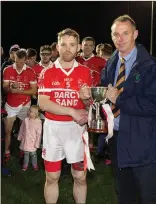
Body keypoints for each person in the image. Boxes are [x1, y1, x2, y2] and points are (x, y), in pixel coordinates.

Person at [101, 15, 156, 204]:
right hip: (118, 138)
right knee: (125, 195)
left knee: (148, 197)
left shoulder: (151, 66)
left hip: (143, 142)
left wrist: (119, 99)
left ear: (135, 34)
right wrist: (92, 95)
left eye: (125, 33)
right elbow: (105, 90)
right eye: (116, 34)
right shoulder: (112, 61)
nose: (120, 39)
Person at [38, 28, 94, 204]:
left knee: (80, 176)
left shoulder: (86, 72)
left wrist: (86, 100)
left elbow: (89, 105)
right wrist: (71, 111)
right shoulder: (47, 72)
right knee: (52, 177)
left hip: (76, 130)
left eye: (72, 45)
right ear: (58, 47)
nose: (68, 48)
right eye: (63, 44)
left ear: (78, 47)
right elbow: (43, 103)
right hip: (53, 129)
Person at [3, 49, 37, 163]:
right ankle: (6, 152)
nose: (19, 65)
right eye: (17, 62)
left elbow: (33, 91)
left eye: (21, 62)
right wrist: (11, 89)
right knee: (8, 131)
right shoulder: (7, 70)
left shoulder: (30, 71)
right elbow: (5, 87)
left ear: (25, 60)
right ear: (14, 59)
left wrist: (19, 91)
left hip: (24, 105)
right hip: (10, 105)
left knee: (24, 130)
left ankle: (23, 151)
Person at [17, 105, 42, 171]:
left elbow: (39, 134)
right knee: (26, 153)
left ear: (35, 114)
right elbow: (22, 128)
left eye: (30, 111)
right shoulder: (26, 120)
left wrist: (37, 144)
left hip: (33, 141)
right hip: (25, 140)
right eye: (29, 110)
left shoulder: (38, 122)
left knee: (33, 154)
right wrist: (20, 136)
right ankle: (25, 165)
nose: (28, 112)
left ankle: (35, 165)